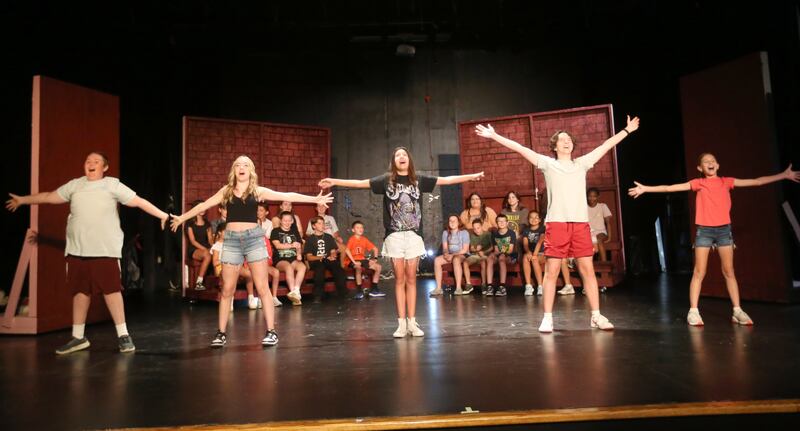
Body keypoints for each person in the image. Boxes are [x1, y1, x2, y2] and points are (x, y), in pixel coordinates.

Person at [476, 115, 640, 332]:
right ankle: (547, 318)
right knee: (552, 271)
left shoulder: (582, 163)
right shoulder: (548, 164)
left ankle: (596, 315)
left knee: (587, 270)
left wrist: (627, 130)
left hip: (580, 225)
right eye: (562, 139)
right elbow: (520, 148)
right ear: (554, 146)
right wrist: (494, 135)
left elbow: (606, 145)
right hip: (557, 225)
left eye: (569, 139)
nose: (566, 141)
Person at [6, 151, 169, 354]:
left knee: (112, 291)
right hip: (77, 250)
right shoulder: (75, 185)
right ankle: (78, 337)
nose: (91, 164)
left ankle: (123, 335)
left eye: (96, 161)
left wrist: (163, 215)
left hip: (104, 250)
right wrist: (23, 200)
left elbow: (138, 201)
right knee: (80, 292)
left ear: (105, 167)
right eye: (88, 161)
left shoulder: (112, 185)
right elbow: (48, 197)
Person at [319, 147, 483, 338]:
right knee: (399, 279)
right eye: (398, 155)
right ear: (394, 161)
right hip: (394, 236)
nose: (401, 157)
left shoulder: (418, 179)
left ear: (409, 159)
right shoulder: (386, 180)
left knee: (411, 279)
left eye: (404, 154)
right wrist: (334, 181)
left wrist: (471, 177)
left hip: (413, 236)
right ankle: (401, 324)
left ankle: (412, 322)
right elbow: (360, 183)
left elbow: (445, 180)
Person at [170, 155, 332, 348]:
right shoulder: (226, 191)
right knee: (227, 288)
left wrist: (314, 199)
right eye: (238, 165)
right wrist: (181, 218)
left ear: (251, 170)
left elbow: (287, 195)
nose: (241, 167)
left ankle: (271, 331)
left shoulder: (257, 191)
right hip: (231, 240)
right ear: (234, 170)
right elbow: (204, 205)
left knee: (262, 286)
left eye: (245, 165)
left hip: (254, 239)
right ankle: (221, 333)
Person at [629, 154, 799, 326]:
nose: (710, 163)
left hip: (724, 231)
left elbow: (757, 182)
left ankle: (737, 310)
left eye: (712, 161)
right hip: (704, 231)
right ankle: (693, 311)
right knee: (699, 272)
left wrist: (783, 175)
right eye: (706, 162)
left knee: (729, 271)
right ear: (700, 168)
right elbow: (669, 188)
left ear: (717, 165)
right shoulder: (698, 183)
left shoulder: (726, 182)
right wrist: (646, 189)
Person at [520, 211, 573, 296]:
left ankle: (540, 286)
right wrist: (528, 252)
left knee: (534, 259)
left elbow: (540, 242)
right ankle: (528, 286)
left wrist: (534, 254)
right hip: (533, 253)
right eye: (531, 217)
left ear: (540, 220)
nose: (534, 219)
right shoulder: (526, 230)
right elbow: (525, 244)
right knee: (525, 257)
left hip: (543, 253)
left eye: (536, 217)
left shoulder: (543, 229)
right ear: (528, 219)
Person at [305, 216, 348, 303]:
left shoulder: (328, 237)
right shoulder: (310, 239)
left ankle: (343, 293)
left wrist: (333, 255)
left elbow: (333, 251)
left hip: (327, 259)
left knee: (338, 268)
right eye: (319, 223)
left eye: (323, 223)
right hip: (316, 260)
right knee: (319, 270)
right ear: (314, 226)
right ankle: (318, 295)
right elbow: (309, 257)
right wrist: (320, 257)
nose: (322, 225)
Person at [210, 224, 254, 306]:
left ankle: (251, 297)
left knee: (249, 274)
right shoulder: (217, 246)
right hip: (221, 267)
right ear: (219, 232)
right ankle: (230, 299)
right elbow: (215, 262)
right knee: (231, 275)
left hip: (234, 265)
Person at [271, 211, 307, 306]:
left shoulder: (294, 231)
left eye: (289, 220)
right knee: (288, 267)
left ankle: (296, 291)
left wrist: (299, 254)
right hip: (280, 259)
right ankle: (293, 293)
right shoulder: (275, 231)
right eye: (285, 221)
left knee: (302, 267)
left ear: (292, 221)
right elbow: (278, 246)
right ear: (281, 221)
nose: (287, 223)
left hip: (293, 258)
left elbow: (299, 245)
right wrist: (291, 245)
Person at [430, 215, 470, 296]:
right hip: (451, 254)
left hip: (462, 254)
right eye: (450, 221)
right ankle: (438, 288)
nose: (452, 222)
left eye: (454, 220)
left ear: (458, 222)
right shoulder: (445, 233)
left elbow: (465, 250)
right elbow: (445, 248)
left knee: (456, 259)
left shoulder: (464, 233)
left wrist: (452, 255)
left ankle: (458, 288)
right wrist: (446, 254)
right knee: (437, 260)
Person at [343, 220, 384, 299]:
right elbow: (347, 250)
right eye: (357, 228)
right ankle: (359, 291)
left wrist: (375, 259)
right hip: (352, 260)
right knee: (358, 268)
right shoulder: (352, 239)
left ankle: (374, 289)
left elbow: (375, 249)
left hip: (362, 259)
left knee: (378, 267)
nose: (360, 229)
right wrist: (354, 262)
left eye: (361, 227)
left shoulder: (364, 239)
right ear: (353, 230)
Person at [256, 202, 281, 308]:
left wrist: (268, 262)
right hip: (254, 264)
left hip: (265, 262)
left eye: (261, 210)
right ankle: (260, 298)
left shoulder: (266, 239)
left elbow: (269, 252)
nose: (258, 212)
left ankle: (274, 297)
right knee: (262, 273)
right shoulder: (251, 239)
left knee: (276, 272)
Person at [486, 214, 516, 296]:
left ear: (507, 223)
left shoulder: (511, 233)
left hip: (510, 256)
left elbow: (510, 250)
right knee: (489, 258)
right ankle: (489, 286)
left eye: (503, 221)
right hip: (499, 254)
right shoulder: (495, 234)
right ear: (496, 223)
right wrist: (492, 254)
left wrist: (501, 253)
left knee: (502, 258)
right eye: (499, 221)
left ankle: (502, 286)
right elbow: (496, 250)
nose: (501, 223)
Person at [186, 199, 213, 290]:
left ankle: (218, 281)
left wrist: (214, 247)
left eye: (204, 207)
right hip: (194, 249)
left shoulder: (207, 223)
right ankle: (199, 283)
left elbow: (210, 240)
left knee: (216, 253)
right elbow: (193, 241)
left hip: (206, 248)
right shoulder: (190, 223)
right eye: (201, 207)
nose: (203, 209)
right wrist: (205, 249)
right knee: (207, 254)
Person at [462, 218, 492, 294]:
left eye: (478, 228)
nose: (476, 230)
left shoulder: (488, 234)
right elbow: (471, 248)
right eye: (474, 229)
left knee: (483, 262)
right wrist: (475, 249)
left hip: (485, 255)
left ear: (482, 226)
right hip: (475, 255)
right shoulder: (472, 236)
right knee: (465, 262)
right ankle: (468, 284)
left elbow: (492, 247)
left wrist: (484, 252)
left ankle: (484, 284)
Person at [587, 187, 612, 262]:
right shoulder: (584, 207)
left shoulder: (602, 206)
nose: (592, 198)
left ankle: (604, 264)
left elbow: (608, 222)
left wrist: (609, 237)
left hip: (601, 232)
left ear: (598, 197)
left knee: (598, 239)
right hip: (588, 233)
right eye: (590, 196)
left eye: (594, 196)